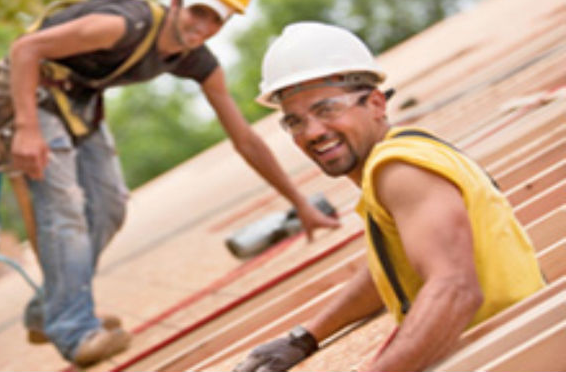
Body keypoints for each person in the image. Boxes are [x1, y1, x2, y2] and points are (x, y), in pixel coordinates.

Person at [7, 0, 341, 367]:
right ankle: (75, 331)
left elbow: (245, 139)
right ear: (178, 1)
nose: (201, 26)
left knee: (110, 206)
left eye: (215, 20)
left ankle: (52, 307)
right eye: (197, 12)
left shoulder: (197, 60)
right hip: (31, 93)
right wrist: (25, 127)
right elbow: (25, 49)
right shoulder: (123, 26)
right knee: (65, 210)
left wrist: (300, 202)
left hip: (80, 104)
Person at [234, 22, 546, 372]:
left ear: (376, 103)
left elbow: (454, 289)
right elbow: (395, 264)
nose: (313, 132)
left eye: (326, 110)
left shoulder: (399, 171)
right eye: (295, 122)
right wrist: (306, 335)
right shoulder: (402, 158)